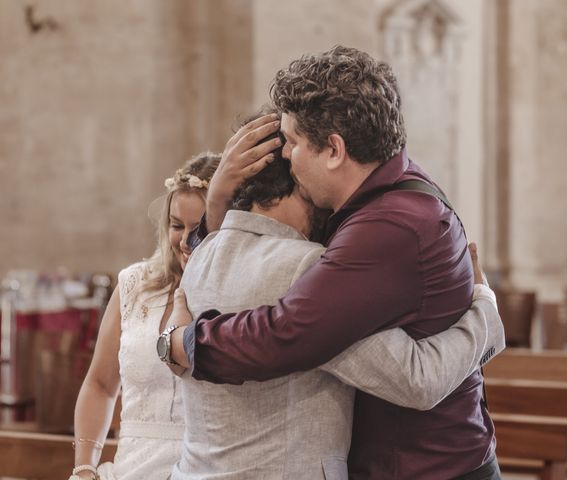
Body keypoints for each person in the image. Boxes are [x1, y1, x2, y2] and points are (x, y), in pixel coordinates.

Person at [168, 46, 501, 479]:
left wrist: (183, 343)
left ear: (334, 150)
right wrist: (217, 202)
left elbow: (287, 334)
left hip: (429, 468)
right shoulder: (365, 205)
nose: (286, 156)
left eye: (292, 142)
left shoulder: (389, 227)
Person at [70, 152, 220, 480]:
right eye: (176, 225)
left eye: (199, 229)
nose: (184, 240)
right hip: (128, 468)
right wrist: (84, 468)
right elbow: (99, 384)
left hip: (202, 469)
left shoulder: (235, 296)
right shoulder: (134, 284)